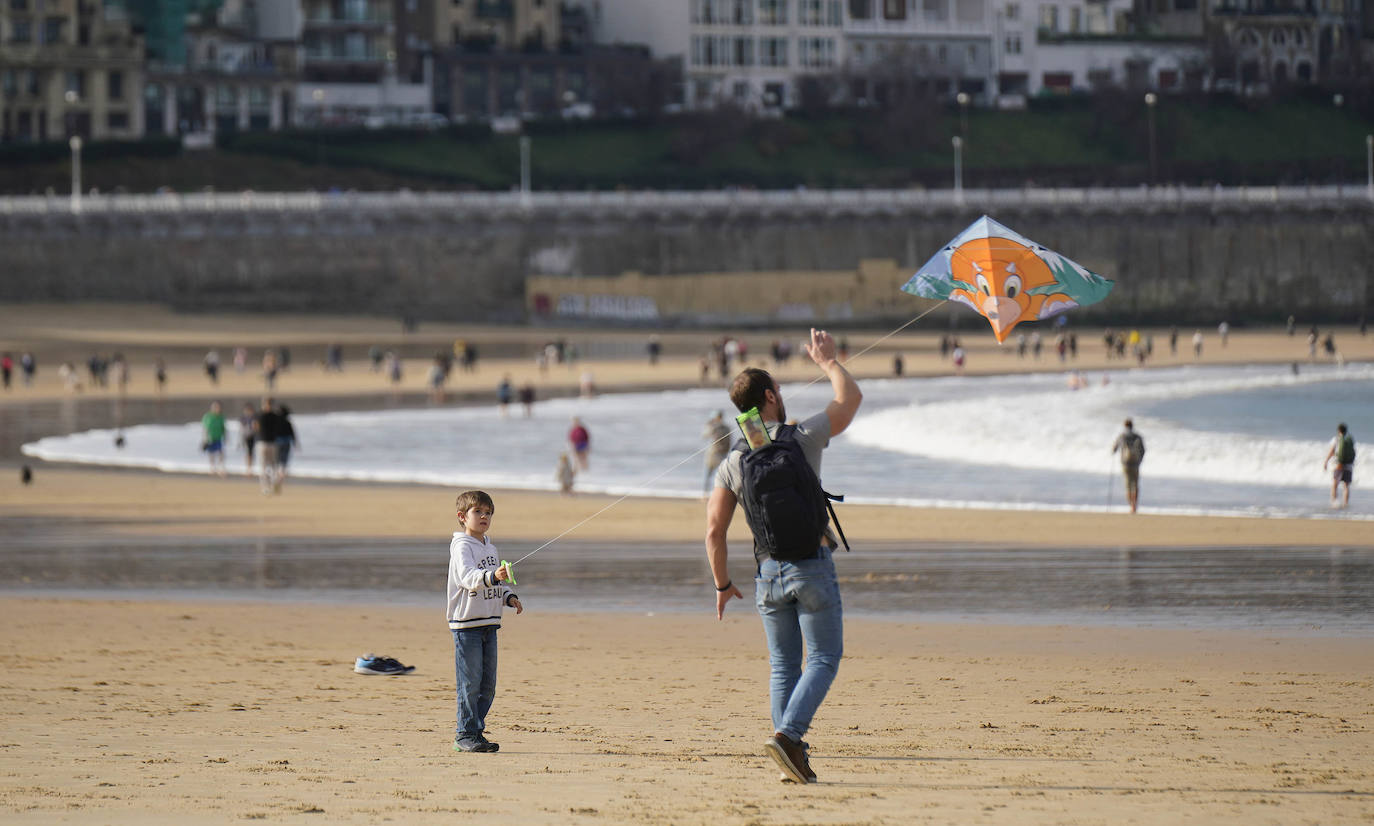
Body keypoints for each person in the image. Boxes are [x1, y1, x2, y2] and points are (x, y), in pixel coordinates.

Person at [706, 327, 863, 786]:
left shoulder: (734, 460)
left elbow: (715, 531)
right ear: (772, 396)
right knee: (825, 658)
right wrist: (829, 362)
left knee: (783, 666)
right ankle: (790, 738)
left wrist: (721, 585)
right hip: (811, 566)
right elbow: (850, 401)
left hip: (767, 573)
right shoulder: (803, 436)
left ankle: (788, 749)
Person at [447, 490, 522, 753]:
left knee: (487, 685)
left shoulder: (490, 547)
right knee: (470, 682)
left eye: (488, 513)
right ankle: (464, 734)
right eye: (477, 512)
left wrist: (509, 597)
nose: (484, 517)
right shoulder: (461, 547)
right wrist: (493, 575)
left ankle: (475, 732)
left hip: (490, 624)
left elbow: (495, 583)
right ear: (462, 516)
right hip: (466, 625)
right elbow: (468, 577)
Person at [1111, 418, 1146, 514]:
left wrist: (1114, 452)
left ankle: (1131, 505)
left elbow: (1114, 448)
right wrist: (1140, 460)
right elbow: (1143, 450)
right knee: (1135, 484)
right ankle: (1135, 505)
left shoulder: (1122, 436)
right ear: (1132, 426)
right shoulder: (1137, 436)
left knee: (1128, 485)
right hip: (1135, 464)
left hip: (1125, 463)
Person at [1323, 423, 1356, 509]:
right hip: (1349, 465)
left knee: (1335, 484)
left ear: (1338, 430)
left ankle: (1334, 503)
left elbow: (1332, 451)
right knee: (1346, 486)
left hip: (1338, 464)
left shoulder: (1336, 439)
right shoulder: (1350, 440)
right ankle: (1345, 504)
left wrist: (1326, 461)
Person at [253, 396, 282, 495]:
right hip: (269, 443)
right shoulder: (275, 415)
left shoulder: (259, 415)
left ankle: (268, 487)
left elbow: (255, 428)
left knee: (266, 466)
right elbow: (278, 429)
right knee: (270, 466)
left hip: (264, 443)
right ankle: (270, 486)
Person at [702, 410, 732, 493]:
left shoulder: (715, 427)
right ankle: (709, 493)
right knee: (719, 475)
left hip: (716, 454)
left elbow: (704, 435)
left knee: (711, 475)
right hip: (719, 454)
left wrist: (709, 424)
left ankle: (707, 493)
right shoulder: (726, 427)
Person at [273, 404, 299, 493]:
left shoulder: (275, 421)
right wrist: (296, 444)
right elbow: (293, 434)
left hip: (277, 443)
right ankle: (279, 480)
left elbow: (273, 433)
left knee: (276, 462)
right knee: (283, 463)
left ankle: (276, 478)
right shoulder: (288, 422)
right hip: (286, 443)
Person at [201, 401, 227, 477]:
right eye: (215, 407)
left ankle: (221, 468)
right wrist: (205, 438)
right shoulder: (207, 416)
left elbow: (223, 427)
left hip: (218, 437)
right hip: (210, 438)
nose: (217, 409)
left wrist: (225, 437)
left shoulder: (221, 417)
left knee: (221, 453)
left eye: (218, 407)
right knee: (211, 454)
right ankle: (212, 468)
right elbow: (204, 428)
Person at [238, 403, 257, 476]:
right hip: (246, 437)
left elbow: (256, 429)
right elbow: (241, 429)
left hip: (252, 437)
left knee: (251, 453)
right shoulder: (243, 418)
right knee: (248, 453)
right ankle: (248, 469)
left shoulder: (254, 418)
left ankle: (250, 468)